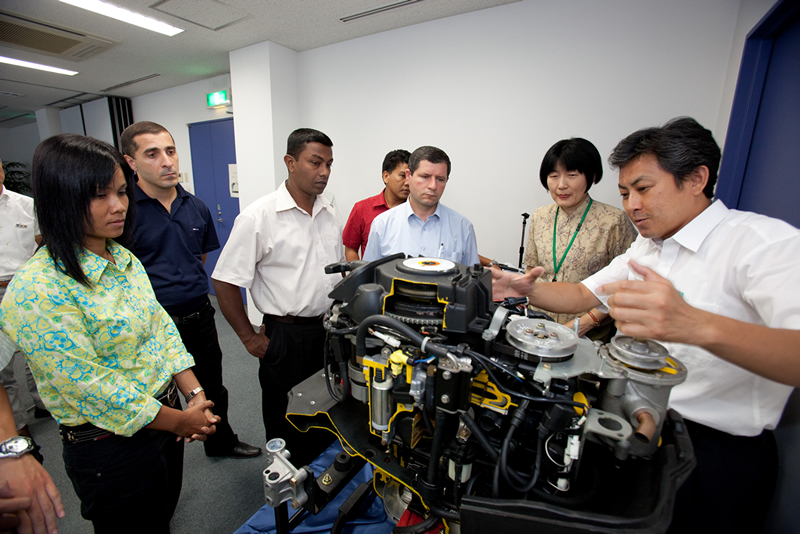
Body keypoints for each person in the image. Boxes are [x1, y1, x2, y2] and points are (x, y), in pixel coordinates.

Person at [492, 117, 800, 533]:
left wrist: (693, 324)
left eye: (643, 189)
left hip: (713, 456)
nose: (632, 204)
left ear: (696, 178)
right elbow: (584, 294)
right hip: (637, 428)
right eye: (624, 193)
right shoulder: (649, 247)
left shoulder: (763, 245)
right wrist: (522, 288)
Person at [0, 134, 220, 533]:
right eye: (100, 195)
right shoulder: (40, 287)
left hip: (167, 417)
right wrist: (180, 422)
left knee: (160, 516)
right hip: (111, 446)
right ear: (61, 199)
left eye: (121, 192)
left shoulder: (121, 256)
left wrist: (194, 393)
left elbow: (159, 327)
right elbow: (93, 388)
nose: (119, 206)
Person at [119, 121, 260, 460]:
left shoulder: (196, 206)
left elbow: (201, 256)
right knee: (155, 395)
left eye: (170, 151)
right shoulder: (123, 212)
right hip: (148, 324)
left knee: (212, 385)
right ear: (131, 162)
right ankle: (161, 465)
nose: (167, 161)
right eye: (152, 154)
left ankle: (220, 442)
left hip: (198, 314)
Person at [211, 128, 343, 467]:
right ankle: (285, 485)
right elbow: (224, 281)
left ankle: (319, 479)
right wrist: (249, 339)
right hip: (284, 336)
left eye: (329, 164)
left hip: (326, 331)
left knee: (326, 409)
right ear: (290, 162)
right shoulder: (259, 216)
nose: (324, 172)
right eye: (315, 162)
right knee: (285, 417)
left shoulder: (329, 211)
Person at [523, 138, 635, 341]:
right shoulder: (539, 216)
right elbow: (531, 269)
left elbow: (626, 284)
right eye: (553, 176)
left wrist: (583, 324)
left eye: (572, 175)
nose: (561, 185)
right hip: (538, 328)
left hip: (587, 335)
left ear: (591, 176)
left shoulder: (613, 221)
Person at [363, 146, 480, 265]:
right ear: (409, 176)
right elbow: (369, 278)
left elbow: (472, 281)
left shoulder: (463, 228)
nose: (433, 186)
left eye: (440, 179)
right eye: (425, 177)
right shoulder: (382, 225)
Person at [0, 159, 50, 439]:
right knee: (2, 366)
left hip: (25, 288)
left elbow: (43, 243)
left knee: (37, 351)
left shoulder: (25, 204)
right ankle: (17, 424)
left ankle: (44, 404)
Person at [343, 149, 410, 261]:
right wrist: (360, 276)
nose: (407, 183)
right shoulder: (362, 209)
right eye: (402, 176)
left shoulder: (416, 212)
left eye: (410, 177)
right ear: (386, 176)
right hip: (372, 277)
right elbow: (351, 249)